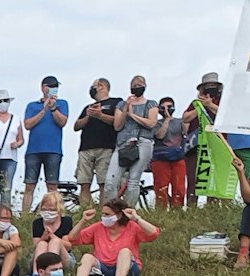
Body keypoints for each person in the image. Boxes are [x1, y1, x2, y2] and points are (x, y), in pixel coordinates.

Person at [69, 201, 160, 276]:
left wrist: (137, 219)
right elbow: (73, 239)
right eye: (103, 214)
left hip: (127, 268)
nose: (103, 217)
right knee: (87, 257)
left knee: (125, 252)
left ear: (119, 215)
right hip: (103, 268)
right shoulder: (98, 227)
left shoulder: (132, 227)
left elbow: (154, 233)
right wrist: (83, 221)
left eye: (107, 214)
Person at [105, 75, 159, 204]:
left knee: (133, 180)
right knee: (110, 181)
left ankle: (129, 211)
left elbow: (151, 123)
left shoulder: (151, 104)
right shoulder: (121, 104)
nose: (136, 87)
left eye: (139, 85)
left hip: (142, 142)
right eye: (134, 85)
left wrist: (132, 115)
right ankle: (112, 210)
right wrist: (125, 110)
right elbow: (117, 126)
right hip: (123, 143)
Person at [21, 76, 69, 213]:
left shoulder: (62, 103)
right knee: (29, 185)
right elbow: (27, 125)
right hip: (33, 150)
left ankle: (54, 212)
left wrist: (53, 108)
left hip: (53, 150)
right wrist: (43, 110)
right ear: (43, 88)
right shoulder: (32, 105)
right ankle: (25, 215)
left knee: (52, 186)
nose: (53, 89)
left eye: (55, 87)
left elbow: (62, 122)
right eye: (50, 86)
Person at [73, 78, 122, 206]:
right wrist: (88, 116)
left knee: (104, 183)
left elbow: (118, 122)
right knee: (84, 183)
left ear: (101, 86)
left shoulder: (116, 102)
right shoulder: (88, 107)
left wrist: (100, 115)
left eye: (93, 86)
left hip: (106, 147)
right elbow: (76, 126)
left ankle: (104, 212)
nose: (91, 89)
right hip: (85, 148)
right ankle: (86, 211)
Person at [150, 97, 191, 209]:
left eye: (169, 107)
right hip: (160, 158)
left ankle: (177, 210)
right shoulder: (156, 123)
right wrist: (166, 120)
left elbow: (186, 132)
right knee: (161, 187)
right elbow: (160, 135)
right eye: (163, 108)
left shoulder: (180, 122)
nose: (166, 110)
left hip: (178, 157)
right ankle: (161, 211)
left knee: (179, 187)